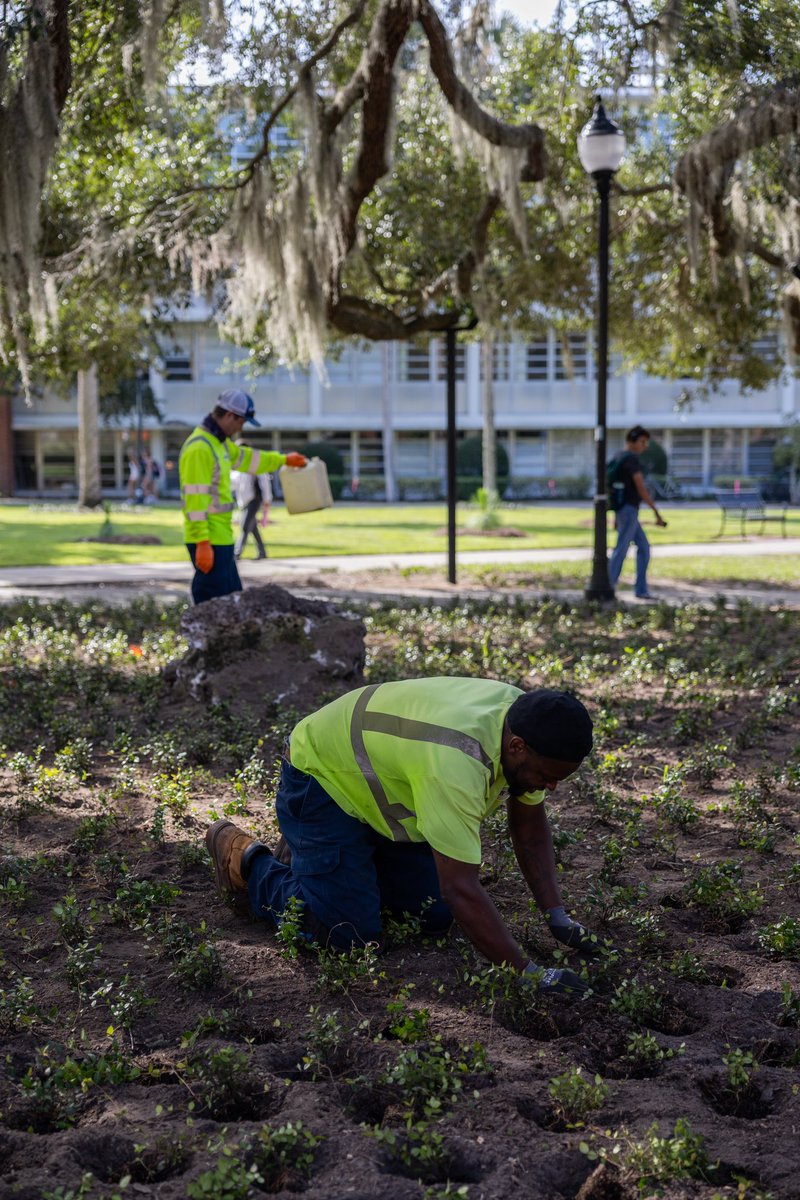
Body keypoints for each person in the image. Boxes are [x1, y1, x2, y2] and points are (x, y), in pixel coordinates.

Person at [206, 680, 605, 995]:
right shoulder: (457, 762)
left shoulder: (525, 721)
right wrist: (530, 974)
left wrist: (557, 916)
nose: (551, 787)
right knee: (348, 936)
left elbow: (529, 826)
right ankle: (247, 860)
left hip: (379, 793)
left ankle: (327, 864)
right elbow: (460, 888)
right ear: (517, 747)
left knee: (433, 915)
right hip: (322, 779)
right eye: (547, 776)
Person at [179, 388, 307, 604]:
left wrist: (283, 460)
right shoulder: (200, 448)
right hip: (208, 540)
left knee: (233, 600)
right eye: (242, 421)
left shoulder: (220, 445)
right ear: (230, 415)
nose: (241, 427)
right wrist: (202, 541)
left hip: (221, 538)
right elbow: (195, 501)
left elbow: (249, 459)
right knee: (213, 603)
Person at [608, 425, 667, 600]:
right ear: (631, 441)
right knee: (622, 548)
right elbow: (641, 488)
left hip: (624, 510)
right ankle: (609, 587)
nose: (645, 446)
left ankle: (641, 590)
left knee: (643, 547)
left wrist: (616, 515)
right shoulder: (631, 460)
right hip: (628, 510)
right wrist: (656, 511)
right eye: (642, 442)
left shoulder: (618, 457)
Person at [232, 467, 272, 560]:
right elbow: (234, 482)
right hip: (244, 502)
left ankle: (237, 552)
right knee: (253, 528)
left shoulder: (257, 467)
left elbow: (265, 484)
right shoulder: (240, 469)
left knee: (245, 526)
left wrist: (267, 500)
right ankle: (262, 552)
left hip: (254, 500)